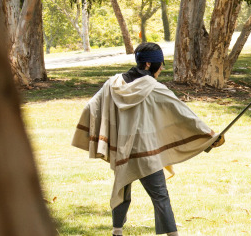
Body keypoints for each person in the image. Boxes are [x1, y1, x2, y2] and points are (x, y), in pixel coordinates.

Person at [72, 42, 225, 236]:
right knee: (160, 196)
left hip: (121, 150)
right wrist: (210, 136)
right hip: (146, 153)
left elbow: (90, 108)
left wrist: (102, 137)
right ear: (147, 65)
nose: (161, 68)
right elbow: (184, 114)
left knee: (122, 188)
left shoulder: (112, 84)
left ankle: (116, 231)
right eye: (159, 64)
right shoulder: (154, 88)